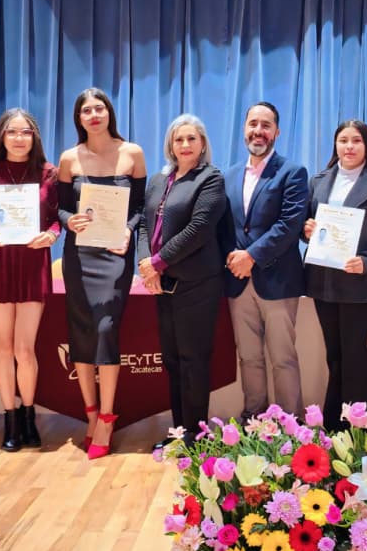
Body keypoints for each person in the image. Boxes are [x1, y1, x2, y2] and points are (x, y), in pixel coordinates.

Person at [57, 87, 146, 459]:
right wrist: (69, 220)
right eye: (86, 111)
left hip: (115, 253)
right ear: (79, 118)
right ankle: (91, 414)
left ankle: (108, 418)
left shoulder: (132, 153)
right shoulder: (69, 158)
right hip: (79, 254)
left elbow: (140, 207)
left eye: (99, 109)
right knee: (81, 331)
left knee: (106, 328)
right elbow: (61, 209)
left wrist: (128, 230)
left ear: (109, 113)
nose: (94, 115)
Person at [0, 108, 60, 452]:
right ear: (1, 136)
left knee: (25, 348)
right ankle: (9, 418)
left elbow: (55, 220)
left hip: (33, 264)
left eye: (26, 132)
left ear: (34, 137)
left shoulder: (48, 173)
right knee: (4, 347)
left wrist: (52, 236)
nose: (19, 138)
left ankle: (28, 415)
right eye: (12, 132)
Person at [304, 120, 367, 430]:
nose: (349, 146)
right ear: (335, 145)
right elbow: (307, 224)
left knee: (355, 353)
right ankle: (333, 426)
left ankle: (358, 429)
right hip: (323, 280)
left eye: (356, 140)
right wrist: (307, 230)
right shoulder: (318, 180)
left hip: (361, 282)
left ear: (366, 145)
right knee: (334, 354)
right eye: (343, 140)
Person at [137, 115, 227, 442]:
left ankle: (196, 435)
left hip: (197, 283)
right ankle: (178, 432)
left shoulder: (211, 179)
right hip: (163, 283)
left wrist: (157, 262)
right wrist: (145, 263)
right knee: (173, 361)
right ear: (170, 145)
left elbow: (199, 229)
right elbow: (144, 223)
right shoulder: (159, 180)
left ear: (202, 144)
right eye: (179, 139)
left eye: (192, 139)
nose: (185, 145)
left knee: (193, 361)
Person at [221, 102, 308, 420]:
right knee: (249, 358)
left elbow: (289, 225)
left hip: (277, 281)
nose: (258, 131)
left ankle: (290, 425)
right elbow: (225, 227)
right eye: (253, 124)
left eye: (266, 125)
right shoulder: (228, 175)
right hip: (237, 281)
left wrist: (251, 256)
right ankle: (254, 420)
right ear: (244, 129)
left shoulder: (292, 172)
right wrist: (233, 258)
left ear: (277, 132)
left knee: (282, 359)